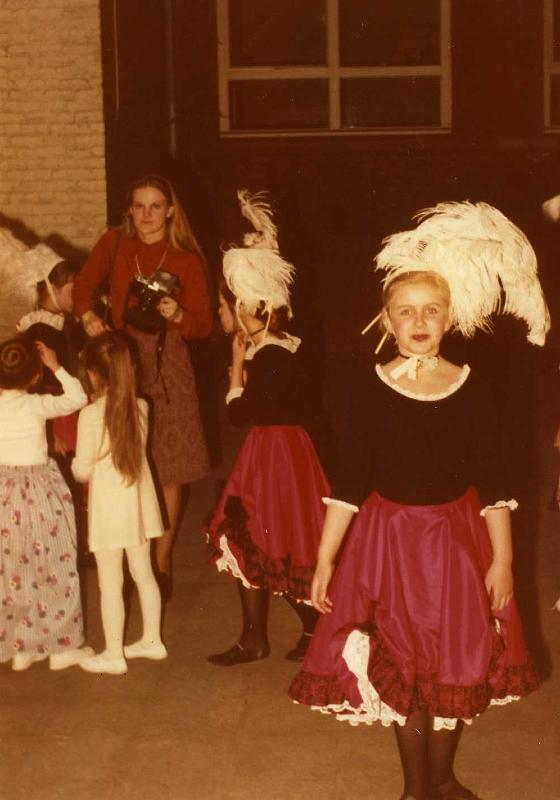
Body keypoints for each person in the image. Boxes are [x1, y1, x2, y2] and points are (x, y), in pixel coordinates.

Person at [288, 202, 548, 800]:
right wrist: (326, 558)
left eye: (431, 309)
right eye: (406, 311)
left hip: (456, 544)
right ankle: (415, 789)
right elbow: (349, 482)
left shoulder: (471, 387)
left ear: (450, 315)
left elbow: (496, 484)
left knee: (455, 657)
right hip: (391, 545)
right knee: (404, 661)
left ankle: (444, 777)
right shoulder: (371, 387)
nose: (419, 320)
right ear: (388, 320)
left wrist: (503, 559)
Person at [206, 190, 329, 666]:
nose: (220, 316)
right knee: (259, 542)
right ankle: (262, 636)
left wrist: (237, 368)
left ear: (245, 309)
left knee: (260, 539)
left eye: (223, 308)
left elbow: (240, 414)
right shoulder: (281, 347)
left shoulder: (271, 357)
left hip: (275, 455)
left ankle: (286, 632)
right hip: (281, 452)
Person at [72, 175, 211, 596]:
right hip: (120, 361)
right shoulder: (115, 243)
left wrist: (178, 315)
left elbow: (203, 325)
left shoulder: (186, 259)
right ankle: (130, 555)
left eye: (155, 206)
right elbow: (82, 286)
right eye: (139, 206)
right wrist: (87, 315)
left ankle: (160, 562)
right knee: (121, 460)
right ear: (129, 210)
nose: (146, 215)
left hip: (169, 364)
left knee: (171, 465)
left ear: (170, 211)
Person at [72, 331, 166, 676]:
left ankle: (114, 653)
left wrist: (75, 464)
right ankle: (152, 640)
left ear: (93, 374)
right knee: (144, 572)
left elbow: (82, 471)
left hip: (110, 511)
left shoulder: (90, 415)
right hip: (139, 507)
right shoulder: (141, 407)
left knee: (110, 581)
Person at [0, 335, 90, 671]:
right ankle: (60, 647)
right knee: (53, 565)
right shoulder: (36, 404)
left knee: (13, 569)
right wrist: (56, 365)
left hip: (3, 497)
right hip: (38, 495)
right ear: (36, 375)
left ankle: (21, 646)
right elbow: (78, 397)